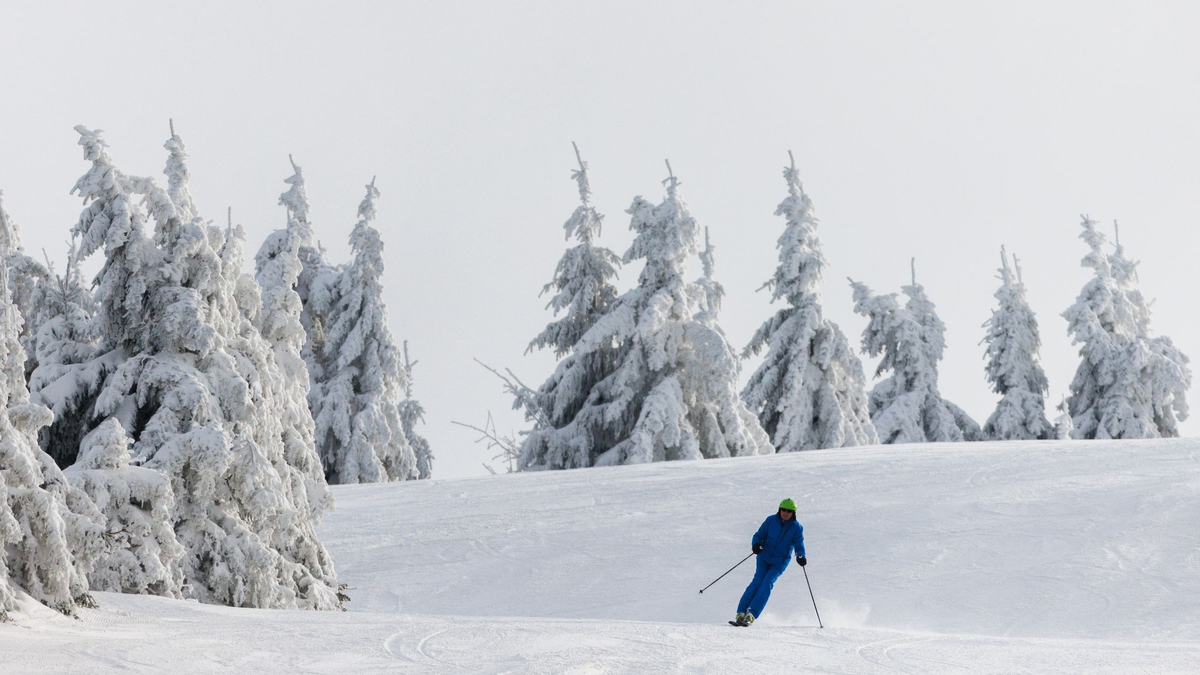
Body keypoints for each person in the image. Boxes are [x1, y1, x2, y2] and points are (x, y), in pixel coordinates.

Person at [733, 498, 806, 627]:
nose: (785, 513)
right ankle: (741, 612)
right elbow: (759, 535)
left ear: (793, 513)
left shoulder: (796, 528)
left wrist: (800, 555)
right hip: (763, 557)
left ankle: (751, 614)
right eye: (783, 510)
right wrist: (756, 544)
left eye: (789, 511)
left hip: (779, 561)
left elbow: (799, 543)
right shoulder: (770, 520)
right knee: (757, 582)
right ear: (779, 509)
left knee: (767, 583)